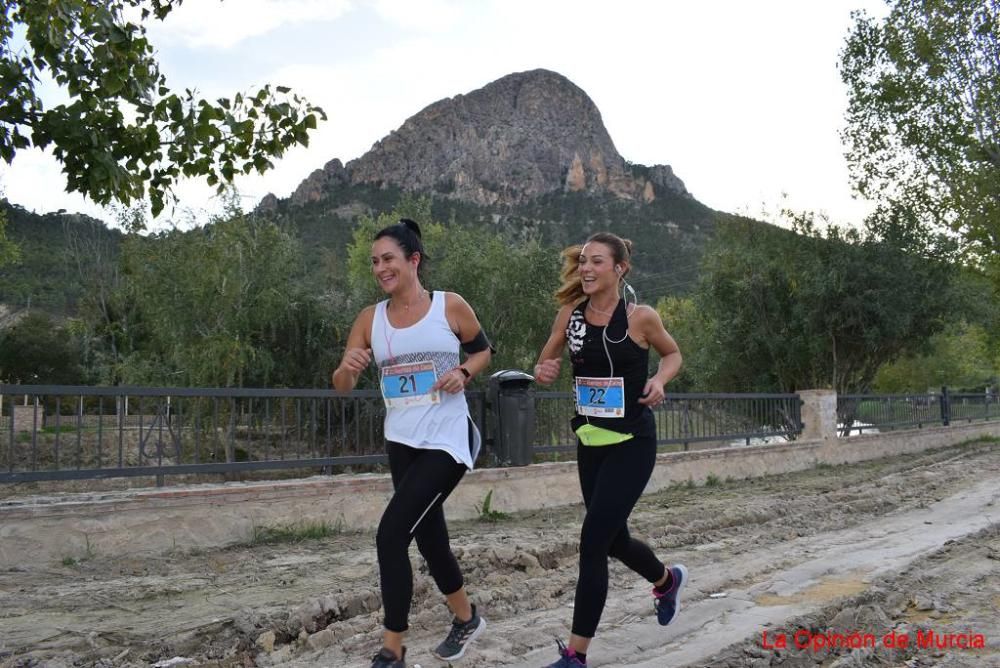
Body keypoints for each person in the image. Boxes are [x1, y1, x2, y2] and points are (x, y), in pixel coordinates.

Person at [332, 219, 492, 668]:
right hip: (401, 442)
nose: (380, 268)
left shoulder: (450, 306)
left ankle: (393, 649)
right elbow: (341, 384)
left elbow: (482, 350)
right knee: (429, 538)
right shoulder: (370, 319)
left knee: (390, 536)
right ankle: (466, 618)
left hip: (446, 441)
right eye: (374, 261)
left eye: (388, 259)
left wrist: (464, 372)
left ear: (413, 260)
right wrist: (348, 366)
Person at [533, 232, 686, 667]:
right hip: (590, 442)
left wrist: (659, 380)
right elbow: (546, 361)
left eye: (596, 261)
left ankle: (575, 657)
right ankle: (666, 580)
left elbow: (672, 355)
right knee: (613, 539)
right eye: (582, 260)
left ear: (619, 269)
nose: (585, 268)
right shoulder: (571, 314)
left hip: (632, 443)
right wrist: (546, 366)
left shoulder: (640, 318)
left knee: (593, 541)